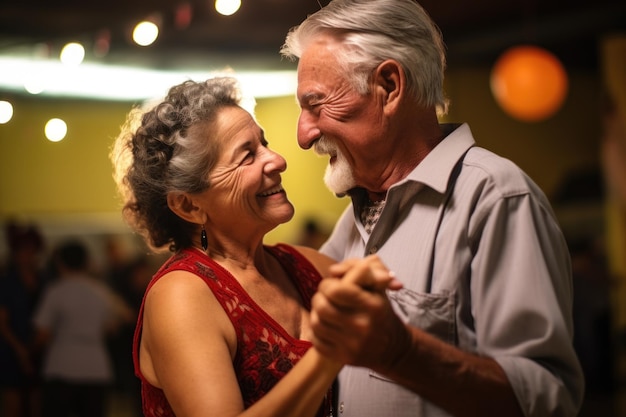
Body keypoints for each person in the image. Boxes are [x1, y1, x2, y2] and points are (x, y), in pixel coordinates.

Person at [280, 0, 585, 416]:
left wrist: (401, 351)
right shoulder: (358, 213)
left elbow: (549, 398)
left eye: (316, 105)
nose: (303, 135)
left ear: (388, 86)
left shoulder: (495, 197)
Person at [109, 76, 397, 417]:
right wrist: (329, 350)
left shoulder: (305, 266)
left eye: (264, 143)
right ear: (189, 206)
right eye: (247, 156)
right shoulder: (182, 294)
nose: (277, 160)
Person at [32, 239, 133, 417]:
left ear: (59, 262)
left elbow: (42, 333)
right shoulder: (101, 291)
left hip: (61, 364)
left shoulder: (55, 291)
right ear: (86, 262)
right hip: (96, 366)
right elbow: (120, 320)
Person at [0, 220, 47, 417]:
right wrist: (21, 351)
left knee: (37, 405)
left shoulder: (44, 281)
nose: (27, 256)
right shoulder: (7, 282)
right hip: (11, 350)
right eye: (23, 251)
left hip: (39, 350)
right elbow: (2, 322)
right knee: (13, 406)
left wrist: (32, 349)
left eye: (31, 251)